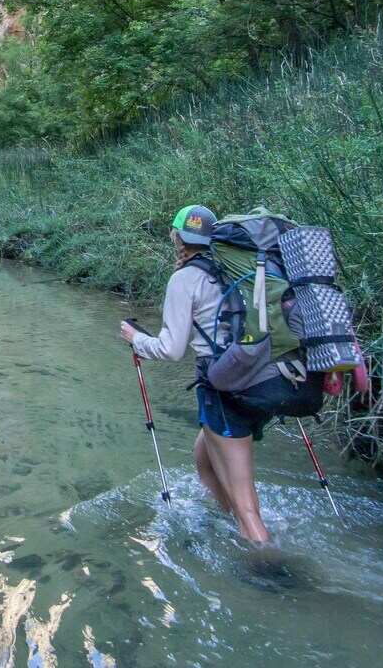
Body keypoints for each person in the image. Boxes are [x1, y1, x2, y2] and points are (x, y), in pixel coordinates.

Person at [119, 205, 272, 543]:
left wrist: (137, 339)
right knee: (203, 456)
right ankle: (225, 523)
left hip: (223, 387)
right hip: (258, 378)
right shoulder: (234, 269)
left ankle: (268, 568)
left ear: (177, 237)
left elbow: (172, 349)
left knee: (246, 504)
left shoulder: (185, 278)